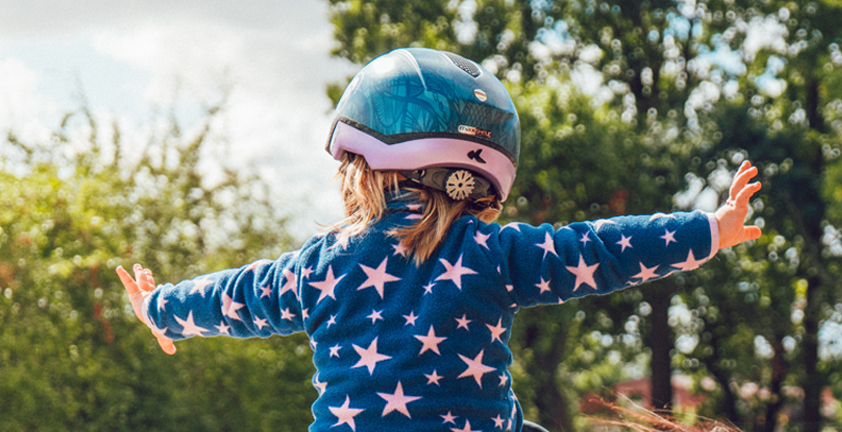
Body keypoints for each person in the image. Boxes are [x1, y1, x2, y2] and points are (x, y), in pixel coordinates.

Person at [115, 47, 762, 432]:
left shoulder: (318, 268)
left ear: (358, 166)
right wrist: (708, 230)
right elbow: (594, 251)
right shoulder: (493, 255)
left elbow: (235, 296)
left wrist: (159, 307)